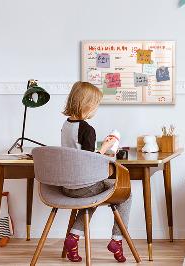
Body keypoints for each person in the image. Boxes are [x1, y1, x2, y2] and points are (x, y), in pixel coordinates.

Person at [61, 81, 131, 263]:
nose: (97, 109)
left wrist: (100, 149)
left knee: (91, 198)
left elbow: (78, 154)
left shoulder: (66, 125)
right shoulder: (87, 129)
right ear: (87, 105)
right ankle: (117, 240)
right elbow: (88, 161)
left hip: (67, 186)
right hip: (84, 186)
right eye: (97, 105)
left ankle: (73, 238)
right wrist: (105, 149)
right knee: (126, 194)